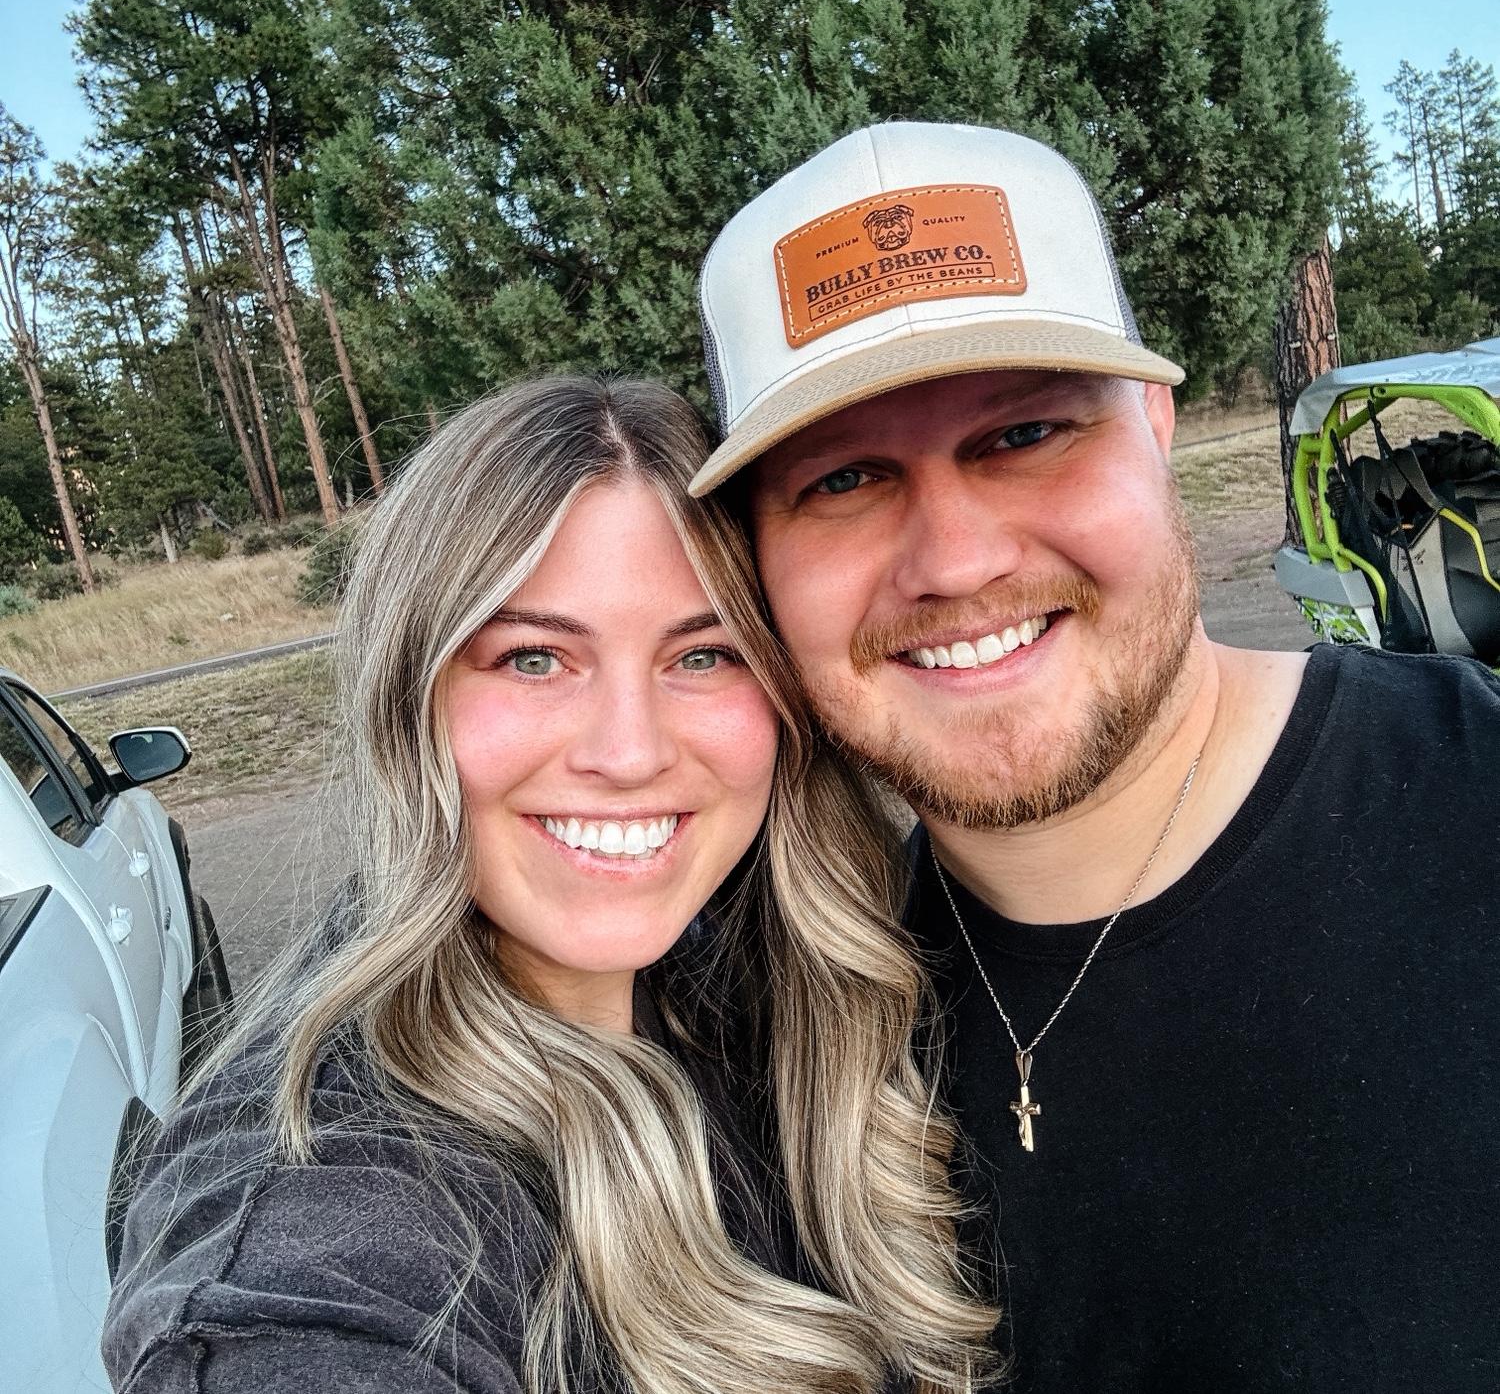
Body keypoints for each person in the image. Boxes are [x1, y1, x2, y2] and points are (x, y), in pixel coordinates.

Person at [690, 122, 1500, 1391]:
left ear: (1156, 423)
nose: (956, 560)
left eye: (1024, 434)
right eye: (842, 480)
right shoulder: (778, 1050)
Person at [103, 376, 996, 1394]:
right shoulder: (314, 1229)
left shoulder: (750, 974)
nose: (630, 751)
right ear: (408, 701)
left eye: (705, 655)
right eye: (533, 658)